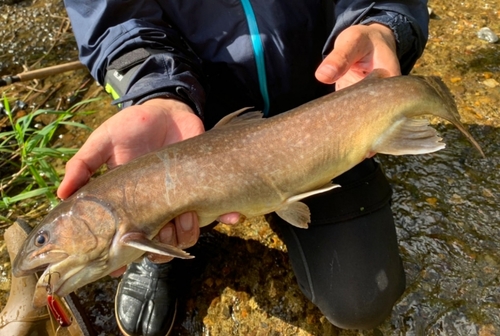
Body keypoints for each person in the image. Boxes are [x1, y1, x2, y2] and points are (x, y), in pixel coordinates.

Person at [60, 1, 429, 335]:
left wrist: (382, 24)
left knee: (361, 299)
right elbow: (114, 21)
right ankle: (153, 239)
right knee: (153, 195)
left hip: (324, 107)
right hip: (193, 118)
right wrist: (154, 89)